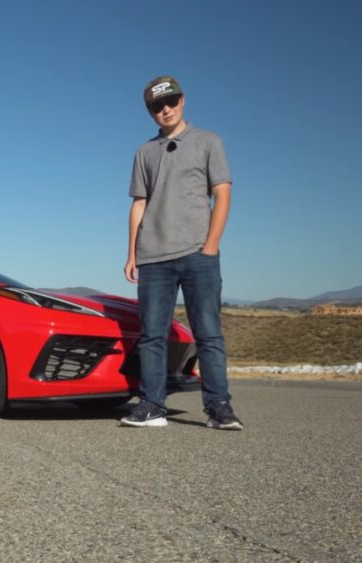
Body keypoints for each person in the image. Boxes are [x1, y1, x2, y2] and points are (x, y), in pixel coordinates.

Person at [119, 76, 243, 430]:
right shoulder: (144, 152)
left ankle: (219, 406)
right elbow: (139, 204)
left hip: (197, 254)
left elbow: (222, 193)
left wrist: (211, 245)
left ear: (183, 100)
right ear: (150, 112)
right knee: (152, 335)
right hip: (153, 257)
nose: (166, 110)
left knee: (208, 333)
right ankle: (152, 405)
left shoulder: (208, 141)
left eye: (170, 101)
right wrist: (131, 254)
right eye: (157, 106)